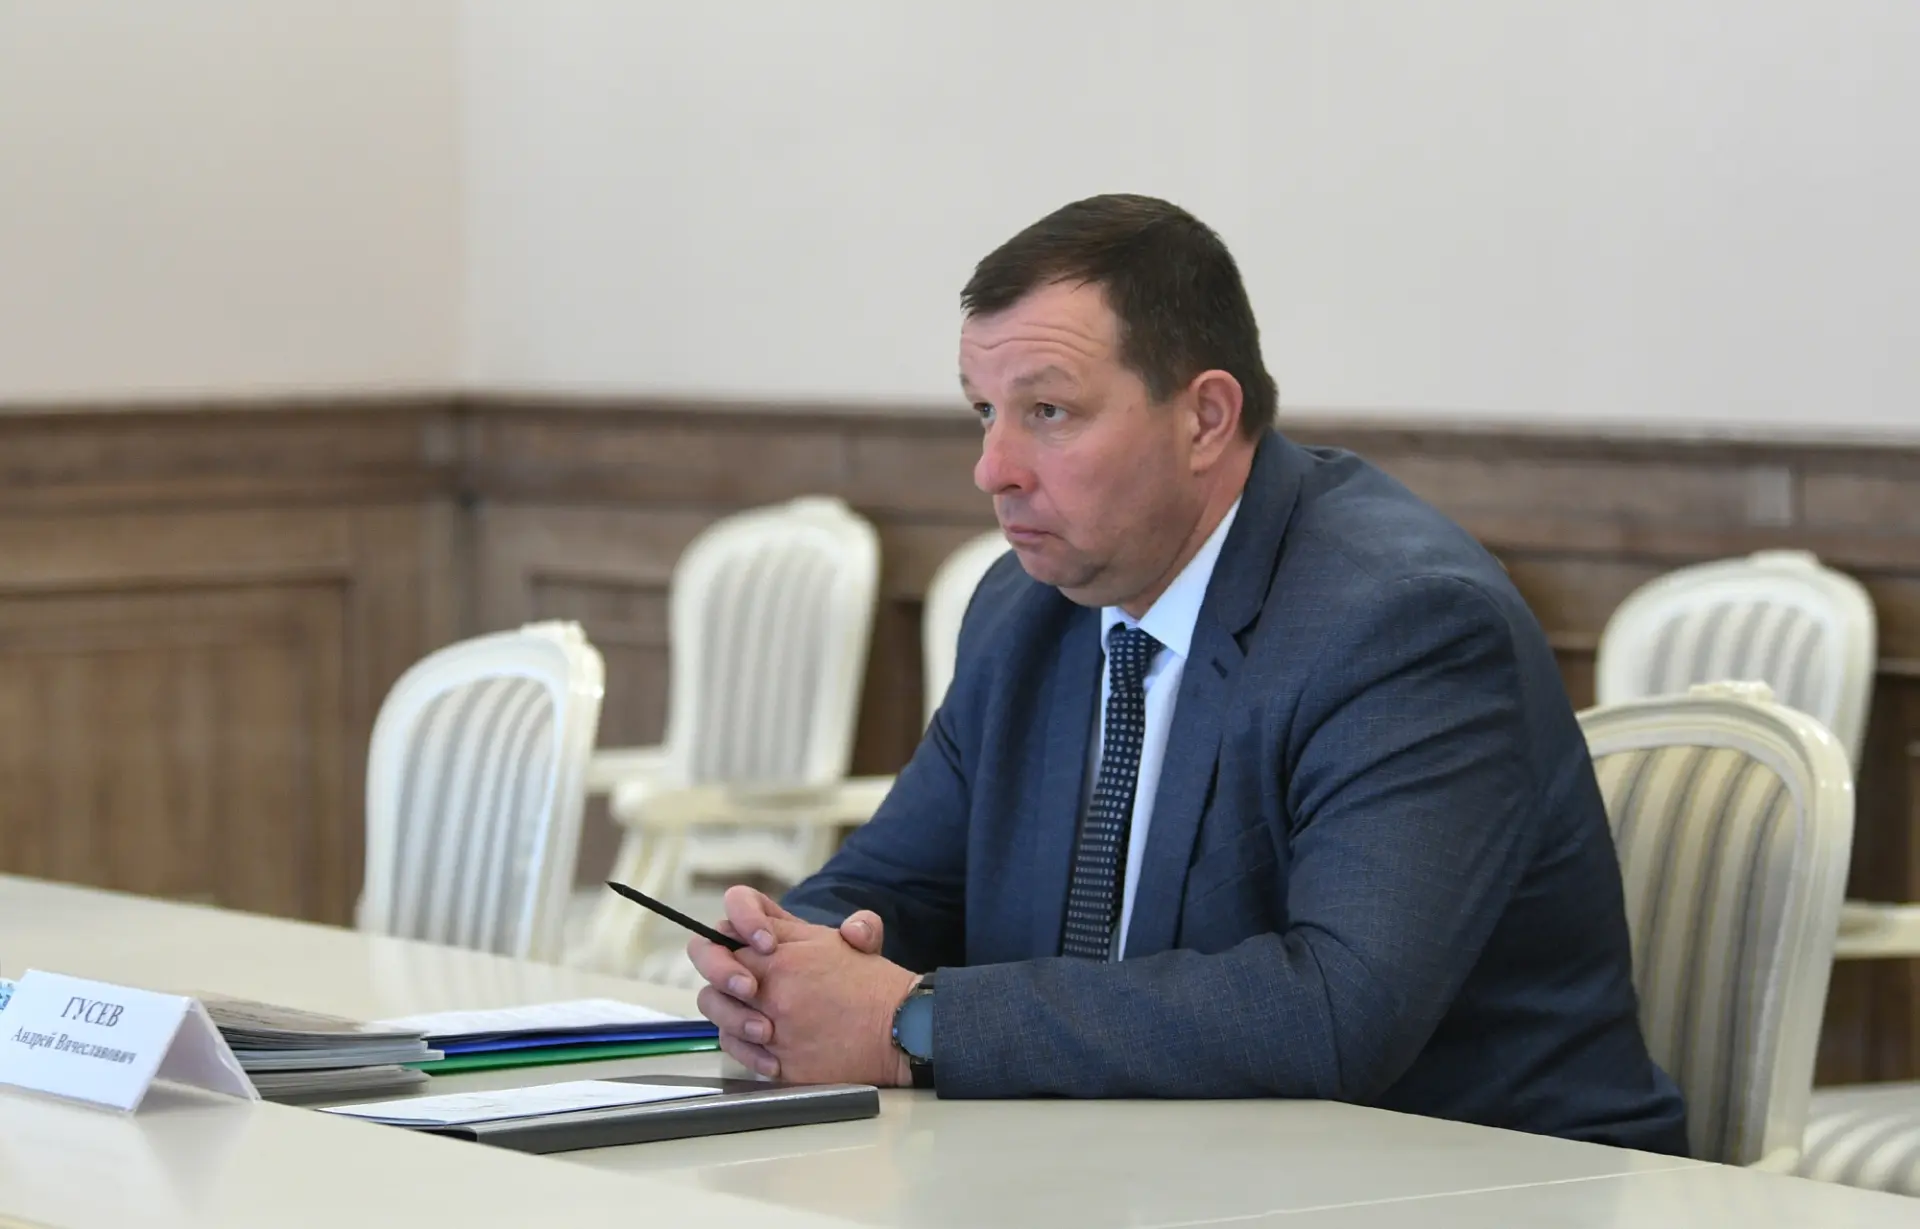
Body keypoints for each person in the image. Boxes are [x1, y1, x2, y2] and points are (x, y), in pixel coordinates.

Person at [687, 193, 1689, 1155]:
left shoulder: (1403, 622)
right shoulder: (1024, 610)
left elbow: (1338, 1007)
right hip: (1142, 1169)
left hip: (1480, 1181)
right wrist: (786, 962)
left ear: (1206, 417)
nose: (994, 467)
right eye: (984, 411)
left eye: (1048, 410)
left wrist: (915, 1020)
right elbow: (895, 881)